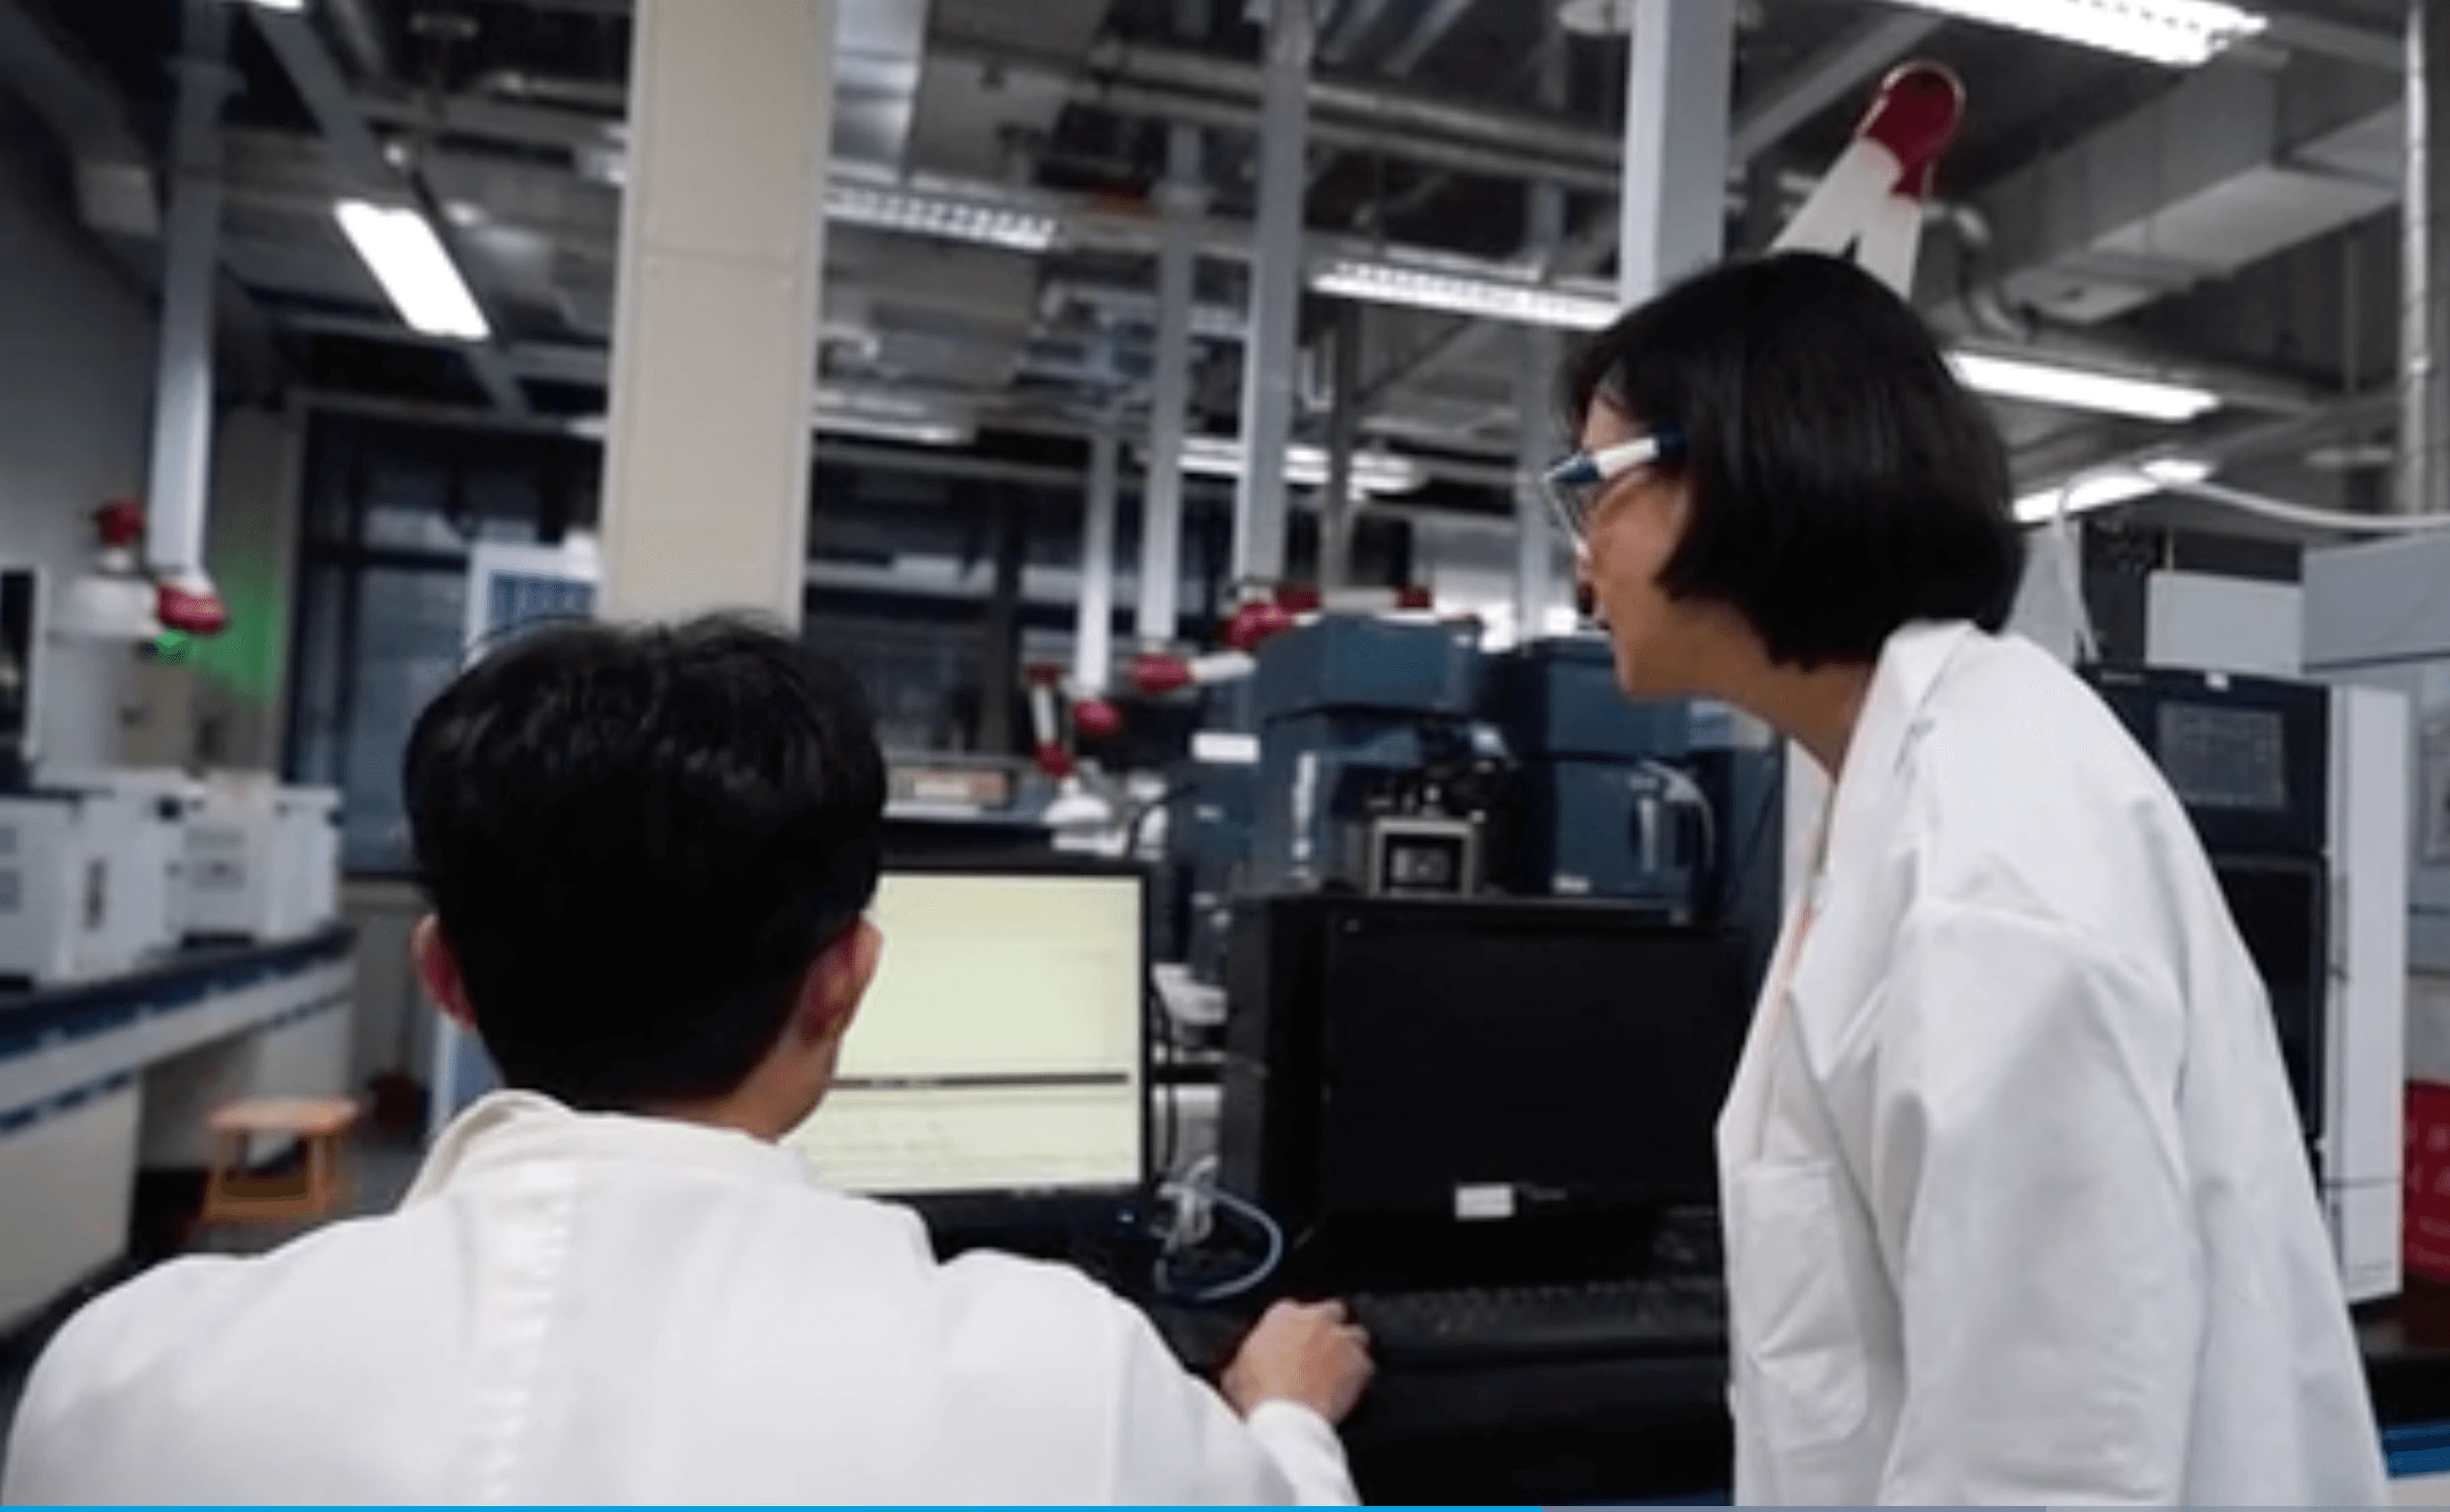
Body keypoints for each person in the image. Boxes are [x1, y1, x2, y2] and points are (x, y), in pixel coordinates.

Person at [2, 616, 1371, 1504]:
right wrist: (1286, 1419)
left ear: (444, 978)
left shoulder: (120, 1378)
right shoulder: (1067, 1384)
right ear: (846, 980)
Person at [1551, 251, 2386, 1505]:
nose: (1577, 565)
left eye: (1588, 488)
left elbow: (2053, 1464)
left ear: (1733, 466)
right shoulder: (1906, 779)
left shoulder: (1984, 860)